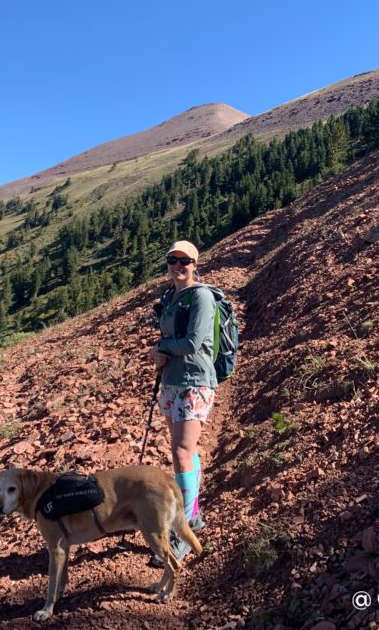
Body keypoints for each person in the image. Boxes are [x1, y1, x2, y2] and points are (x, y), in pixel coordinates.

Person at [149, 240, 215, 561]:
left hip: (195, 382)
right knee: (184, 452)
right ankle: (195, 514)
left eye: (184, 260)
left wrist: (161, 346)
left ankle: (184, 530)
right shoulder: (171, 297)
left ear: (195, 263)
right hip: (172, 382)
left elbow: (193, 342)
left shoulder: (201, 296)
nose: (178, 265)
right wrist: (158, 352)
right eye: (172, 260)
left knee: (180, 453)